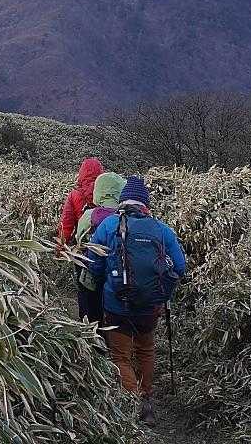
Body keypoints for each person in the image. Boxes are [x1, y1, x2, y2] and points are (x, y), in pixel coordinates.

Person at [87, 176, 186, 425]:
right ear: (145, 204)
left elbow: (93, 262)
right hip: (149, 306)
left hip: (116, 304)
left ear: (122, 202)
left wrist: (104, 282)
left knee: (120, 355)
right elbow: (180, 266)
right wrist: (163, 293)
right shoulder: (161, 229)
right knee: (145, 349)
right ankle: (147, 397)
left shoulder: (108, 225)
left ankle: (135, 402)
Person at [72, 171, 125, 328]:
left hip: (91, 270)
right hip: (116, 271)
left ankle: (89, 327)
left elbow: (79, 238)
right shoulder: (124, 216)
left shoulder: (90, 215)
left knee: (89, 300)